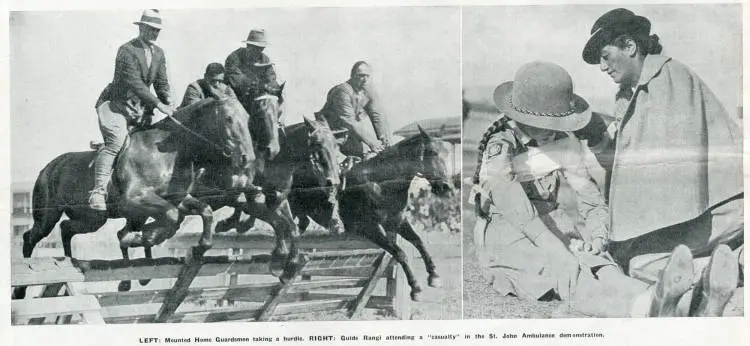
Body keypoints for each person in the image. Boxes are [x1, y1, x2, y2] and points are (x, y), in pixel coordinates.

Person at [471, 61, 738, 317]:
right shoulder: (501, 144)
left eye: (559, 126)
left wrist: (598, 238)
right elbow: (507, 194)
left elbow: (589, 196)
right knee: (566, 270)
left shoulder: (564, 142)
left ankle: (678, 301)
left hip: (553, 222)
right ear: (524, 118)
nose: (554, 133)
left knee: (601, 264)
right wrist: (553, 246)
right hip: (506, 232)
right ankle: (645, 310)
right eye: (548, 127)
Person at [581, 8, 744, 299]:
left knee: (640, 263)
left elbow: (672, 174)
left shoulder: (669, 79)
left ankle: (738, 265)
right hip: (701, 211)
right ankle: (733, 259)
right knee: (629, 257)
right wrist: (597, 139)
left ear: (629, 46)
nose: (603, 68)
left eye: (605, 57)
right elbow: (625, 166)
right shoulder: (635, 91)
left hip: (725, 207)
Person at [89, 9, 174, 211]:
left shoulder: (159, 53)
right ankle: (98, 192)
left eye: (157, 30)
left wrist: (169, 102)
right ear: (141, 28)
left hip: (139, 111)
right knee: (116, 143)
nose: (154, 33)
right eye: (151, 29)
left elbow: (161, 83)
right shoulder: (126, 50)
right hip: (114, 107)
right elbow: (135, 83)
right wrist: (159, 105)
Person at [315, 61, 391, 159]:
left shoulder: (369, 90)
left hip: (349, 134)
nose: (365, 79)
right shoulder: (343, 91)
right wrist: (373, 143)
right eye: (361, 76)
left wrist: (383, 137)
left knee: (361, 159)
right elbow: (349, 121)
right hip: (331, 133)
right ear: (353, 76)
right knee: (332, 163)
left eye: (368, 76)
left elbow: (377, 114)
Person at [224, 28, 282, 111]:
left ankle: (277, 122)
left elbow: (271, 77)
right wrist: (257, 85)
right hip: (237, 96)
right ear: (248, 46)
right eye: (256, 48)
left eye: (261, 48)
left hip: (256, 96)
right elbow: (236, 80)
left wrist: (273, 87)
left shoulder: (264, 59)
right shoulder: (234, 57)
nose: (259, 51)